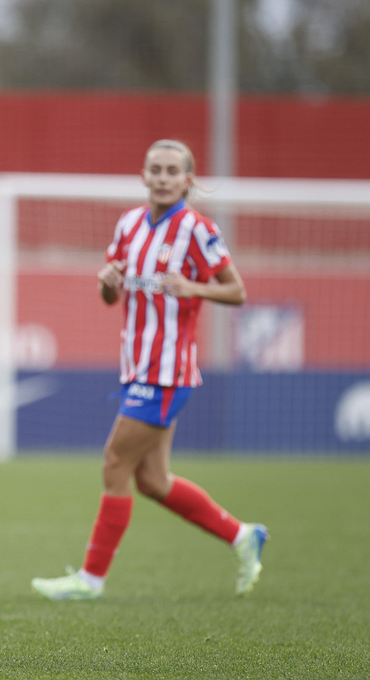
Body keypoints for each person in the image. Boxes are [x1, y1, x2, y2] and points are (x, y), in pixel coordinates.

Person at [31, 139, 267, 601]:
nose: (162, 177)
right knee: (153, 481)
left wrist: (192, 287)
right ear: (143, 175)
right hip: (136, 367)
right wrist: (107, 284)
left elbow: (236, 292)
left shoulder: (198, 231)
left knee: (115, 462)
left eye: (171, 170)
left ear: (187, 180)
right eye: (154, 169)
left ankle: (91, 579)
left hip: (167, 371)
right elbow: (111, 298)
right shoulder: (129, 225)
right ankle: (243, 536)